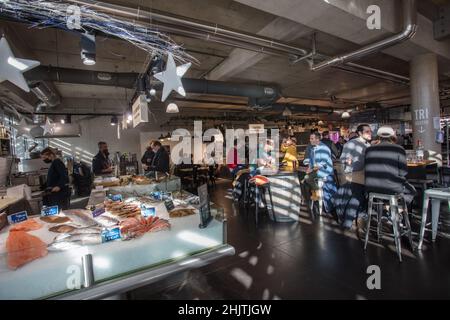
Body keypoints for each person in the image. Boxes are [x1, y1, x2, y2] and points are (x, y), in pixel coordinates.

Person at [365, 126, 417, 205]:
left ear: (378, 137)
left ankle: (385, 207)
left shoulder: (369, 149)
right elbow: (403, 172)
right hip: (391, 187)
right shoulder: (399, 149)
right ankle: (398, 211)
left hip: (370, 187)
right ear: (393, 136)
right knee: (412, 190)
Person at [335, 124, 372, 229]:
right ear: (360, 133)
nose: (370, 133)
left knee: (363, 194)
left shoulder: (368, 145)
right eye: (367, 131)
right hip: (352, 176)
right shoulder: (351, 144)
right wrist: (349, 163)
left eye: (370, 131)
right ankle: (348, 221)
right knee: (358, 195)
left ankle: (359, 216)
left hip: (363, 176)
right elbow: (342, 160)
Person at [301, 132, 336, 212]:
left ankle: (316, 194)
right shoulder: (314, 148)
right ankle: (315, 193)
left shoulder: (324, 148)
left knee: (307, 178)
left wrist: (311, 168)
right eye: (310, 138)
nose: (310, 140)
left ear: (318, 139)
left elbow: (322, 163)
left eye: (312, 138)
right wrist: (307, 162)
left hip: (325, 171)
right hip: (317, 170)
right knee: (305, 178)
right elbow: (310, 159)